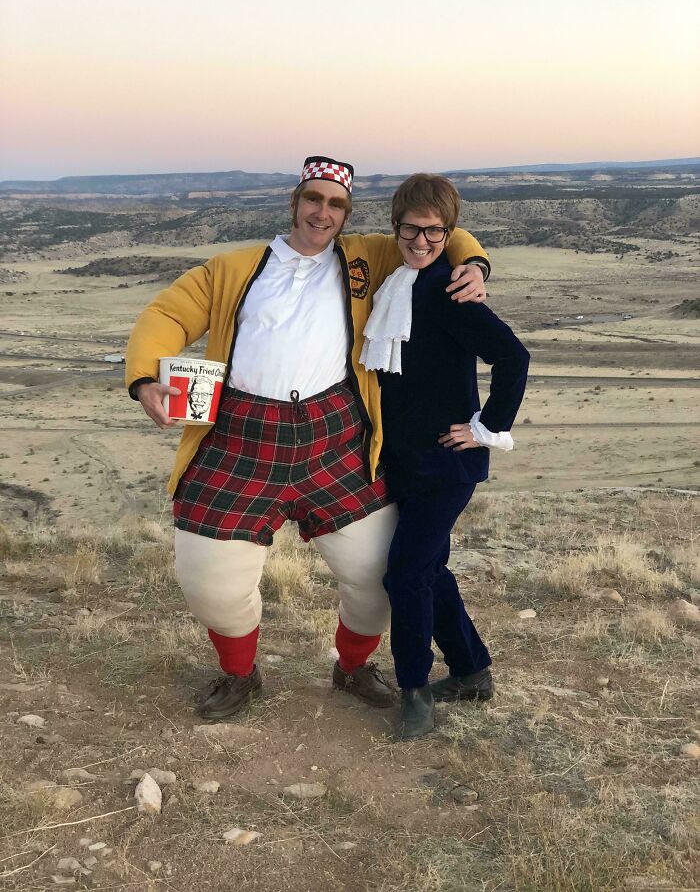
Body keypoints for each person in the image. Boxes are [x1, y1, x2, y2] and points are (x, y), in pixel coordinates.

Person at [125, 155, 490, 721]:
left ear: (347, 214)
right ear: (294, 202)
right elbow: (168, 315)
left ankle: (353, 668)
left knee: (377, 576)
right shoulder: (233, 268)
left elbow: (443, 229)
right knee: (210, 582)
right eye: (314, 199)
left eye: (336, 204)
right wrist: (146, 378)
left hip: (336, 439)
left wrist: (476, 264)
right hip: (239, 440)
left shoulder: (370, 256)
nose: (323, 212)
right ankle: (240, 674)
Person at [360, 173, 529, 740]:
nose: (422, 241)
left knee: (405, 575)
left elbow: (514, 358)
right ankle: (472, 671)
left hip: (445, 464)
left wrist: (486, 429)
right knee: (430, 569)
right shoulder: (396, 285)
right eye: (412, 229)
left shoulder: (448, 291)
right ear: (396, 226)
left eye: (435, 232)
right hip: (405, 459)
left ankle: (414, 691)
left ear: (449, 233)